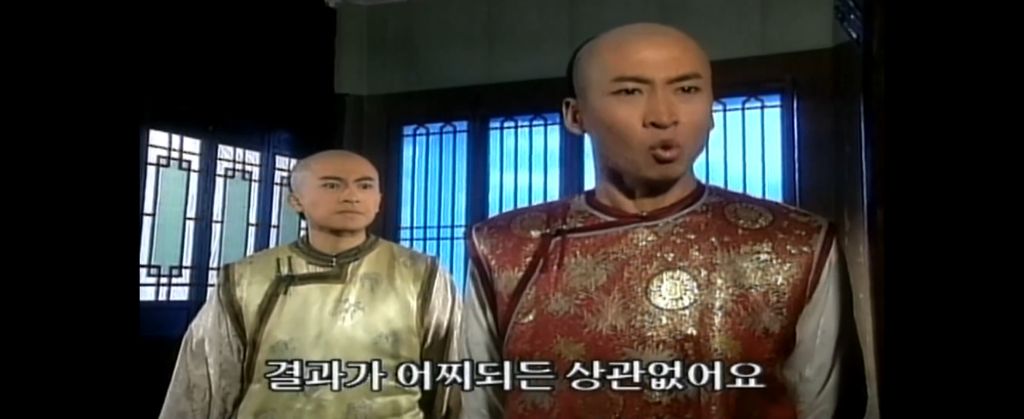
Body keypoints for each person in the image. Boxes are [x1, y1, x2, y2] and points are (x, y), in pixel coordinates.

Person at [461, 23, 855, 419]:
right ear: (576, 115)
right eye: (630, 92)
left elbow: (819, 406)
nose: (664, 116)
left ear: (712, 109)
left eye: (687, 89)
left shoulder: (794, 244)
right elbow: (480, 404)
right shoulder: (507, 246)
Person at [160, 150, 461, 419]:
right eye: (332, 185)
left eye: (365, 186)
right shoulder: (246, 278)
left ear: (379, 200)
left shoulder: (421, 274)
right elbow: (205, 378)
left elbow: (452, 376)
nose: (351, 196)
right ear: (296, 201)